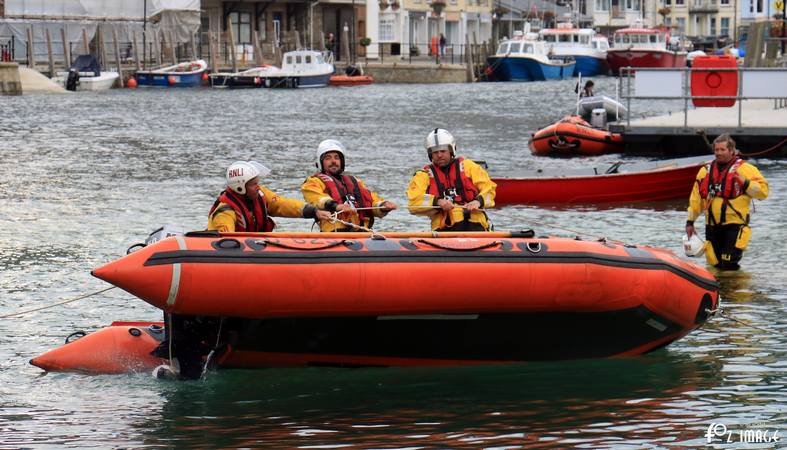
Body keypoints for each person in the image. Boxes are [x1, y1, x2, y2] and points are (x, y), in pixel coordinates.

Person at [686, 134, 769, 270]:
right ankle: (717, 290)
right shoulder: (705, 172)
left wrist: (746, 183)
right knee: (714, 264)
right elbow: (696, 199)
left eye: (722, 150)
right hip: (712, 226)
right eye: (716, 150)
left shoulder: (745, 169)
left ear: (731, 151)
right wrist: (690, 222)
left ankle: (734, 290)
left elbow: (763, 192)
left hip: (734, 227)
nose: (718, 153)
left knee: (729, 264)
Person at [407, 128, 496, 232]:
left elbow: (489, 189)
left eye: (443, 151)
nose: (439, 155)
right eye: (435, 152)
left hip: (476, 227)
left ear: (451, 150)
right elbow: (413, 204)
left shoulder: (469, 167)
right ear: (430, 154)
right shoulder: (423, 175)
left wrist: (478, 201)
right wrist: (437, 202)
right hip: (444, 230)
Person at [208, 160, 332, 232]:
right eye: (253, 184)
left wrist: (313, 211)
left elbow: (282, 204)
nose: (258, 186)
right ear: (240, 188)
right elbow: (226, 243)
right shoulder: (225, 212)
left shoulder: (260, 194)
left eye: (258, 182)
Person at [302, 139, 396, 232]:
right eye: (328, 158)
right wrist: (336, 206)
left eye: (336, 158)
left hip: (362, 234)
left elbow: (371, 201)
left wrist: (383, 206)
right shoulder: (313, 182)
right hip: (334, 234)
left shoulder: (355, 181)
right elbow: (317, 198)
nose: (333, 161)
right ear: (320, 162)